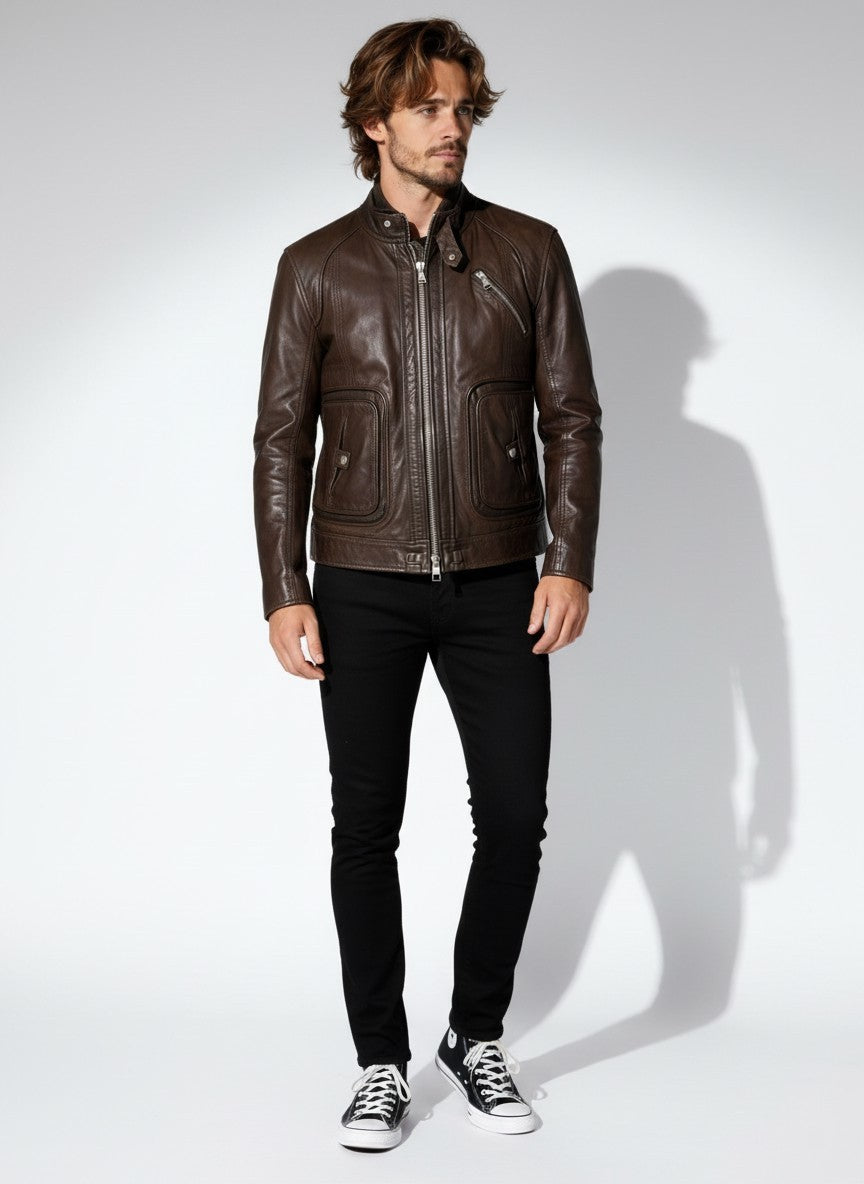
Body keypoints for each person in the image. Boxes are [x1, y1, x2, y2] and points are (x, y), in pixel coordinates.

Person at [252, 17, 602, 1150]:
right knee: (367, 826)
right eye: (428, 109)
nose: (453, 128)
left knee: (515, 817)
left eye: (463, 109)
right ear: (375, 124)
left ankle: (475, 1032)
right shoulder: (315, 266)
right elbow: (280, 439)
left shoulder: (528, 250)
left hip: (500, 579)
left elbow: (572, 418)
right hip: (360, 579)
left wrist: (568, 559)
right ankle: (379, 1061)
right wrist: (284, 585)